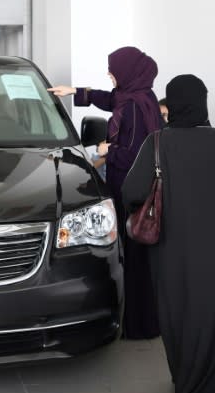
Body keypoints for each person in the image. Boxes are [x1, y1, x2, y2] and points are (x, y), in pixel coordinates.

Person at [122, 75, 215, 393]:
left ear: (171, 104)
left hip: (170, 249)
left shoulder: (157, 142)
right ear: (203, 102)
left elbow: (132, 191)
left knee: (176, 313)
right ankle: (210, 388)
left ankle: (185, 380)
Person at [49, 46, 161, 339]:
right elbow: (110, 99)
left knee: (134, 258)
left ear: (127, 72)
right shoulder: (139, 95)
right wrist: (75, 91)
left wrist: (104, 150)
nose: (109, 74)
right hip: (133, 186)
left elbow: (135, 154)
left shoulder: (136, 105)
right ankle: (140, 320)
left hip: (131, 189)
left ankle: (140, 325)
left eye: (113, 70)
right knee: (135, 257)